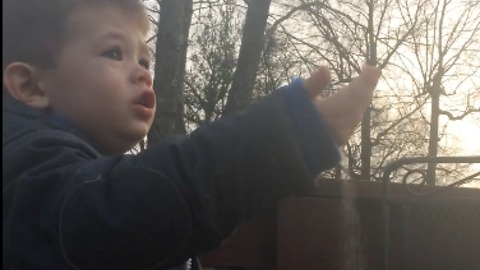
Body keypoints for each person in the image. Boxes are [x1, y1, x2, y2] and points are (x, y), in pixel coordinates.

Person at [2, 0, 381, 269]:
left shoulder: (83, 170)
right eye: (114, 53)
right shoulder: (29, 171)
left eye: (145, 60)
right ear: (31, 86)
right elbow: (122, 215)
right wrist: (285, 135)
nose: (142, 73)